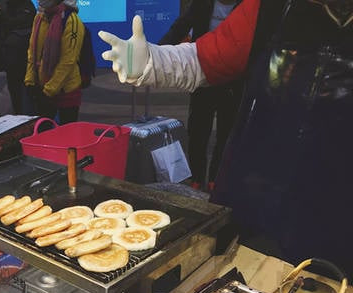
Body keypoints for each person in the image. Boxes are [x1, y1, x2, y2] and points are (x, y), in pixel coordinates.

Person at [99, 0, 353, 277]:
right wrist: (150, 62)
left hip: (338, 199)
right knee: (241, 273)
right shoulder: (269, 7)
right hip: (256, 185)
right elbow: (205, 59)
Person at [159, 0, 243, 191]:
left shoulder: (249, 6)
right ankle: (196, 178)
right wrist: (157, 54)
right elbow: (179, 27)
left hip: (233, 81)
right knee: (197, 131)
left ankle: (216, 178)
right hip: (204, 76)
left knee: (227, 133)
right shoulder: (203, 3)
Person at [25, 0, 85, 124]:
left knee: (67, 135)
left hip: (66, 90)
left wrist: (49, 90)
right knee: (43, 134)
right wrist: (30, 80)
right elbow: (33, 51)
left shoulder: (72, 20)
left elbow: (68, 61)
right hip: (43, 87)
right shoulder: (40, 18)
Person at [0, 0, 36, 115]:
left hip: (25, 56)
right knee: (14, 88)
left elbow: (13, 23)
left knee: (27, 89)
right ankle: (19, 114)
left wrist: (0, 13)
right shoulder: (6, 5)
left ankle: (27, 116)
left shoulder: (26, 7)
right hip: (11, 57)